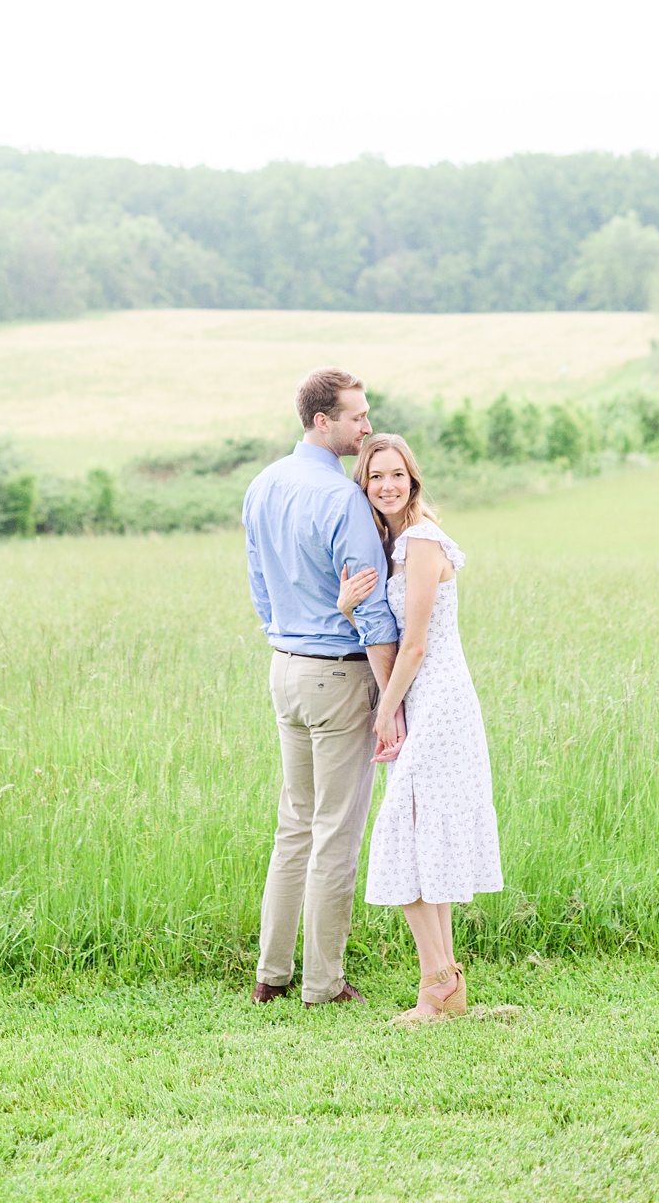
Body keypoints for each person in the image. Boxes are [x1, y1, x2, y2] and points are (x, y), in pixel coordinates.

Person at [245, 367, 401, 1008]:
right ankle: (324, 985)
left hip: (285, 666)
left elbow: (259, 583)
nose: (366, 427)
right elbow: (372, 609)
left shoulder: (262, 485)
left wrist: (287, 631)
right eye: (358, 416)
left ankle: (271, 976)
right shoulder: (341, 499)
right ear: (322, 421)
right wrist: (392, 699)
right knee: (335, 831)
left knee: (295, 827)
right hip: (338, 673)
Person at [354, 431, 505, 1023]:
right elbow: (387, 632)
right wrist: (350, 610)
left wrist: (386, 710)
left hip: (436, 699)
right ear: (364, 485)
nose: (387, 485)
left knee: (406, 830)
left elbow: (414, 645)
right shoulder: (396, 544)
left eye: (397, 475)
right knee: (424, 834)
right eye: (375, 477)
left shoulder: (418, 541)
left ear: (412, 479)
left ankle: (436, 985)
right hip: (425, 699)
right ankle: (445, 988)